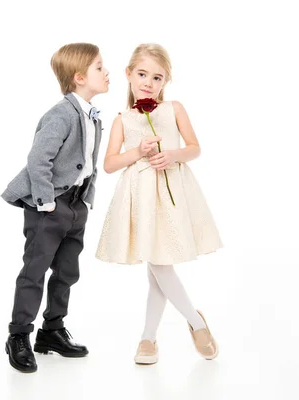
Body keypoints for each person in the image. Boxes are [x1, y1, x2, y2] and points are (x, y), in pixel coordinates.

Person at [95, 43, 222, 365]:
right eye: (142, 74)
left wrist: (173, 154)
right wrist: (137, 151)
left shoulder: (174, 108)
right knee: (158, 266)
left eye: (157, 77)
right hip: (139, 196)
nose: (148, 82)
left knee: (160, 266)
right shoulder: (122, 119)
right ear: (128, 74)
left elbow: (194, 148)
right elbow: (110, 164)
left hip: (172, 193)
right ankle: (182, 326)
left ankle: (154, 336)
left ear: (165, 82)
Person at [1, 42, 109, 373]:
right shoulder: (61, 114)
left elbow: (85, 163)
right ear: (79, 77)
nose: (107, 73)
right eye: (100, 68)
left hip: (76, 206)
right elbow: (38, 159)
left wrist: (85, 202)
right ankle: (19, 335)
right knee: (34, 271)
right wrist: (46, 200)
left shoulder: (92, 115)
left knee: (67, 272)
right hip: (48, 206)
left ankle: (52, 331)